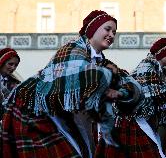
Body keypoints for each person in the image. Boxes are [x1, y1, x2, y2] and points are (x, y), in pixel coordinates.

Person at [1, 10, 141, 158]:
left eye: (114, 32)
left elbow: (129, 84)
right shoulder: (72, 50)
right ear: (92, 30)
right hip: (34, 112)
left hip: (66, 117)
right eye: (107, 29)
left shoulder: (101, 62)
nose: (112, 35)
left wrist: (120, 92)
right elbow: (83, 75)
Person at [95, 38, 166, 158]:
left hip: (138, 119)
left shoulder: (155, 69)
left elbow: (162, 93)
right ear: (162, 52)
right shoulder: (147, 68)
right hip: (132, 121)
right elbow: (160, 95)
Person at [0, 48, 21, 121]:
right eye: (10, 64)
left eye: (16, 65)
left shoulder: (16, 83)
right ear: (2, 62)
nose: (13, 68)